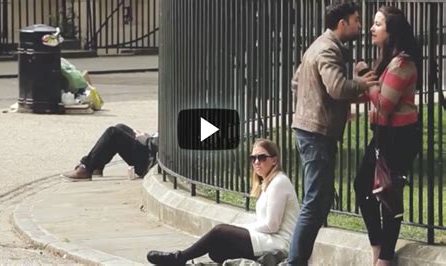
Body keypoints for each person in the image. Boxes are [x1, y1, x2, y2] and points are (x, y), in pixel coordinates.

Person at [287, 2, 379, 265]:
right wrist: (362, 82)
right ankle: (295, 261)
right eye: (356, 20)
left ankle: (298, 259)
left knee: (320, 201)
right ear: (342, 23)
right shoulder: (328, 49)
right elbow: (338, 87)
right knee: (315, 202)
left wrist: (322, 105)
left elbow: (297, 82)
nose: (360, 25)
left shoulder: (319, 44)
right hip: (316, 134)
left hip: (312, 131)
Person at [146, 139, 300, 265]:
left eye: (262, 157)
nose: (257, 162)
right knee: (217, 251)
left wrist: (239, 229)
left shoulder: (279, 182)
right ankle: (263, 260)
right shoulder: (268, 183)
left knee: (220, 231)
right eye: (253, 158)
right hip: (268, 238)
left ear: (274, 160)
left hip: (279, 242)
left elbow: (271, 226)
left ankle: (179, 258)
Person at [353, 6, 421, 266]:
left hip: (399, 137)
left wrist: (364, 78)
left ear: (391, 32)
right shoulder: (390, 62)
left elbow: (382, 106)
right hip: (384, 135)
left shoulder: (402, 64)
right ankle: (379, 247)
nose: (372, 28)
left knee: (389, 195)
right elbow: (374, 95)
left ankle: (383, 258)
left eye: (378, 24)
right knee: (363, 185)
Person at [62, 123, 158, 181]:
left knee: (113, 133)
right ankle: (97, 166)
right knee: (120, 127)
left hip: (149, 160)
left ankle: (86, 168)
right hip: (150, 149)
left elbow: (158, 144)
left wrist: (144, 138)